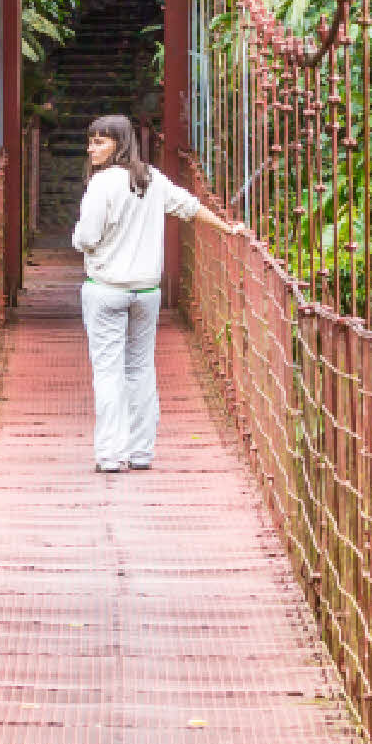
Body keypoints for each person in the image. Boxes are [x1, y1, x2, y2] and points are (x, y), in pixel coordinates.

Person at [70, 115, 241, 474]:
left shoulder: (102, 186)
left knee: (108, 372)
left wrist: (84, 242)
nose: (91, 149)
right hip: (146, 293)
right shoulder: (151, 179)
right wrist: (228, 228)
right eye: (90, 141)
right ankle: (141, 451)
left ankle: (110, 455)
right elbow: (190, 208)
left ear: (119, 143)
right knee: (140, 369)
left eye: (99, 142)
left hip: (106, 290)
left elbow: (86, 238)